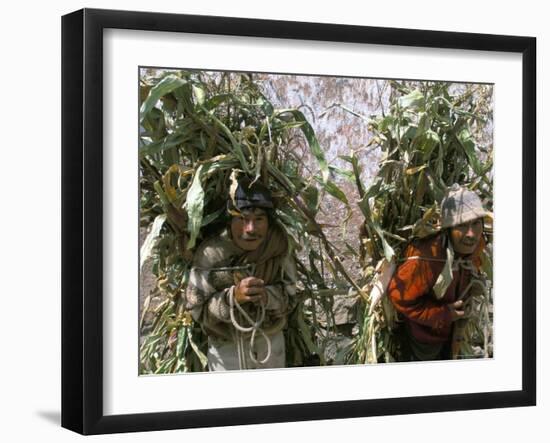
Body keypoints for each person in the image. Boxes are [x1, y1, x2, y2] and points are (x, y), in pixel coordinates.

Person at [184, 177, 297, 371]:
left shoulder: (279, 247)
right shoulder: (211, 254)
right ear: (229, 220)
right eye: (242, 219)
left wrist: (268, 297)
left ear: (269, 222)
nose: (250, 229)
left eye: (259, 219)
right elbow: (196, 310)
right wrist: (232, 298)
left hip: (271, 349)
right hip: (226, 353)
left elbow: (293, 297)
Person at [387, 184, 491, 361]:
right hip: (426, 338)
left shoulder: (475, 245)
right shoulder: (427, 257)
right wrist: (442, 314)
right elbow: (398, 295)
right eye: (462, 226)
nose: (471, 234)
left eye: (476, 223)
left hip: (452, 333)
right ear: (448, 230)